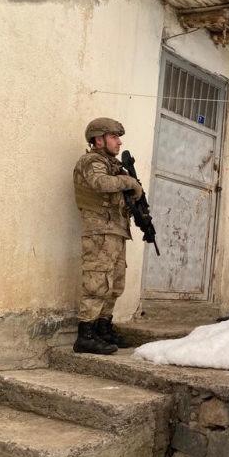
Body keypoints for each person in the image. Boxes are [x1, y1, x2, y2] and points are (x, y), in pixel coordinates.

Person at [73, 118, 143, 354]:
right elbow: (100, 183)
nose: (119, 142)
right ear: (99, 139)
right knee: (97, 282)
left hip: (115, 231)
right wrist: (129, 182)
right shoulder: (92, 161)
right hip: (100, 232)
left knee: (114, 284)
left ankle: (103, 329)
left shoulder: (113, 166)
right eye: (114, 137)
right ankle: (86, 335)